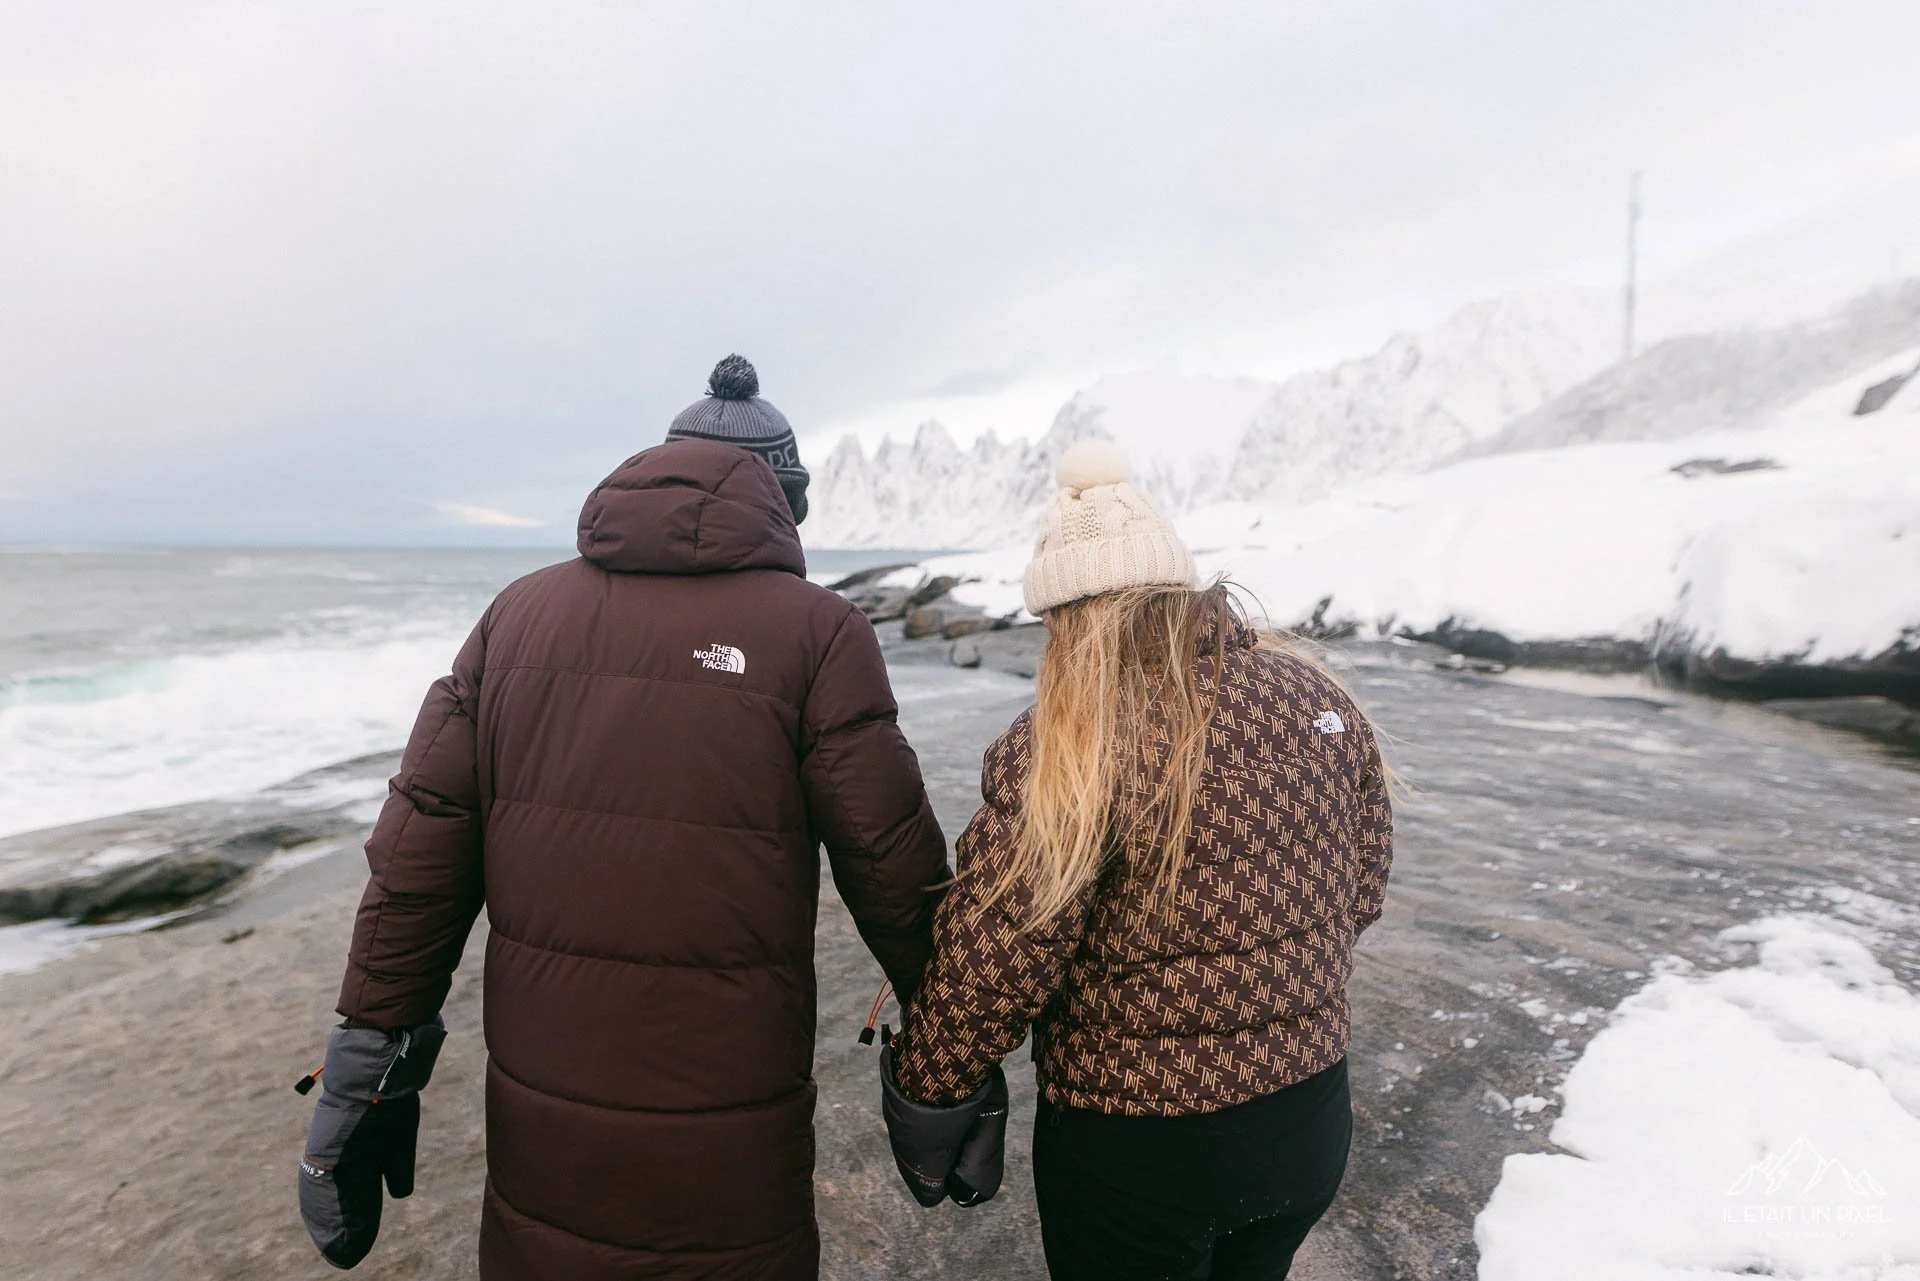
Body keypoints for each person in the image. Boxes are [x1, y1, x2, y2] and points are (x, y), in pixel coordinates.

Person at [297, 355, 952, 1280]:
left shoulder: (514, 616)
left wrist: (369, 1047)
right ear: (784, 500)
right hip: (732, 1115)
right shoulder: (818, 632)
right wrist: (948, 1053)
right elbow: (894, 868)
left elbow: (419, 851)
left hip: (544, 1114)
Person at [877, 440, 1394, 1280]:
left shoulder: (1071, 745)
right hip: (1310, 1120)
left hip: (1141, 1151)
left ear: (1071, 616)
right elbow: (1360, 889)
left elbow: (997, 962)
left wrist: (928, 1091)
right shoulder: (1318, 697)